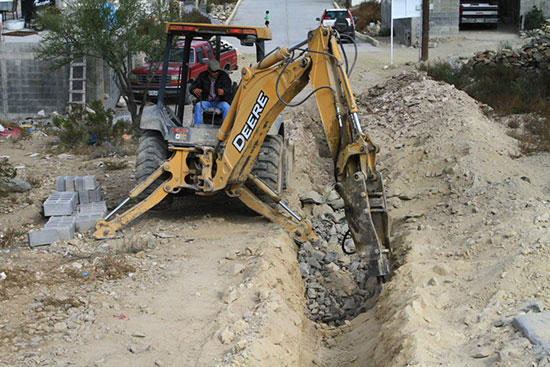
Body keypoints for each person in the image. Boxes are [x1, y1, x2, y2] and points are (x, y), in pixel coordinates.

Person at [190, 59, 232, 125]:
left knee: (227, 107)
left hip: (220, 101)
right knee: (198, 106)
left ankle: (225, 127)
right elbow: (192, 87)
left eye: (217, 71)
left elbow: (229, 90)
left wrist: (224, 92)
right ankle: (197, 127)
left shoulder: (224, 77)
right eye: (214, 71)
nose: (216, 73)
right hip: (206, 101)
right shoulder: (202, 76)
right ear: (208, 70)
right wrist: (194, 90)